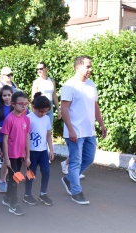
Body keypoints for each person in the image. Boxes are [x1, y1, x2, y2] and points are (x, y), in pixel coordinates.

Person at [61, 55, 106, 205]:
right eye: (87, 66)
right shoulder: (69, 86)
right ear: (77, 67)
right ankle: (76, 191)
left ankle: (69, 179)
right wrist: (71, 130)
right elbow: (64, 109)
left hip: (89, 131)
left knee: (89, 158)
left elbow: (95, 106)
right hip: (75, 132)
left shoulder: (91, 84)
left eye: (91, 66)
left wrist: (101, 123)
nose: (90, 69)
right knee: (75, 162)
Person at [1, 91, 30, 216]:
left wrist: (27, 155)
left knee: (14, 178)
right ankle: (14, 203)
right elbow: (5, 140)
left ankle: (7, 199)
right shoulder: (9, 119)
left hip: (20, 154)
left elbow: (27, 137)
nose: (24, 106)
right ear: (13, 104)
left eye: (26, 103)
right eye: (21, 104)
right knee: (14, 179)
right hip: (11, 155)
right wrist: (6, 158)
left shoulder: (26, 119)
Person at [23, 92, 54, 206]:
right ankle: (27, 195)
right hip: (31, 151)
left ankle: (43, 193)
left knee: (46, 171)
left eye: (46, 111)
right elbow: (24, 137)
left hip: (43, 151)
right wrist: (26, 155)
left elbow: (48, 135)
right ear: (34, 107)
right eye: (41, 111)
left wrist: (51, 149)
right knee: (31, 173)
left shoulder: (46, 119)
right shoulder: (28, 118)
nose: (44, 113)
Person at [0, 85, 13, 193]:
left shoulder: (16, 107)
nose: (7, 97)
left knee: (12, 159)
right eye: (4, 95)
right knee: (7, 160)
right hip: (3, 137)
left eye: (9, 95)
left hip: (14, 137)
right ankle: (2, 181)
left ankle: (8, 179)